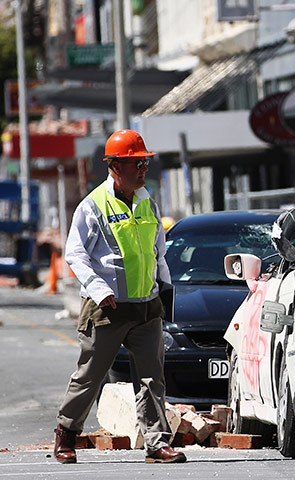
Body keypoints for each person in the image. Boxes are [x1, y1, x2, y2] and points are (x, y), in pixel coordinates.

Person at [53, 129, 186, 464]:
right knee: (90, 375)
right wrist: (99, 290)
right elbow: (76, 254)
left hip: (145, 307)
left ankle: (156, 444)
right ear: (114, 167)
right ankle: (65, 436)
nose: (143, 169)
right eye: (135, 163)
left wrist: (165, 292)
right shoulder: (93, 206)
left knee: (152, 377)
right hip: (107, 309)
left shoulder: (148, 203)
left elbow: (158, 254)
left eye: (143, 162)